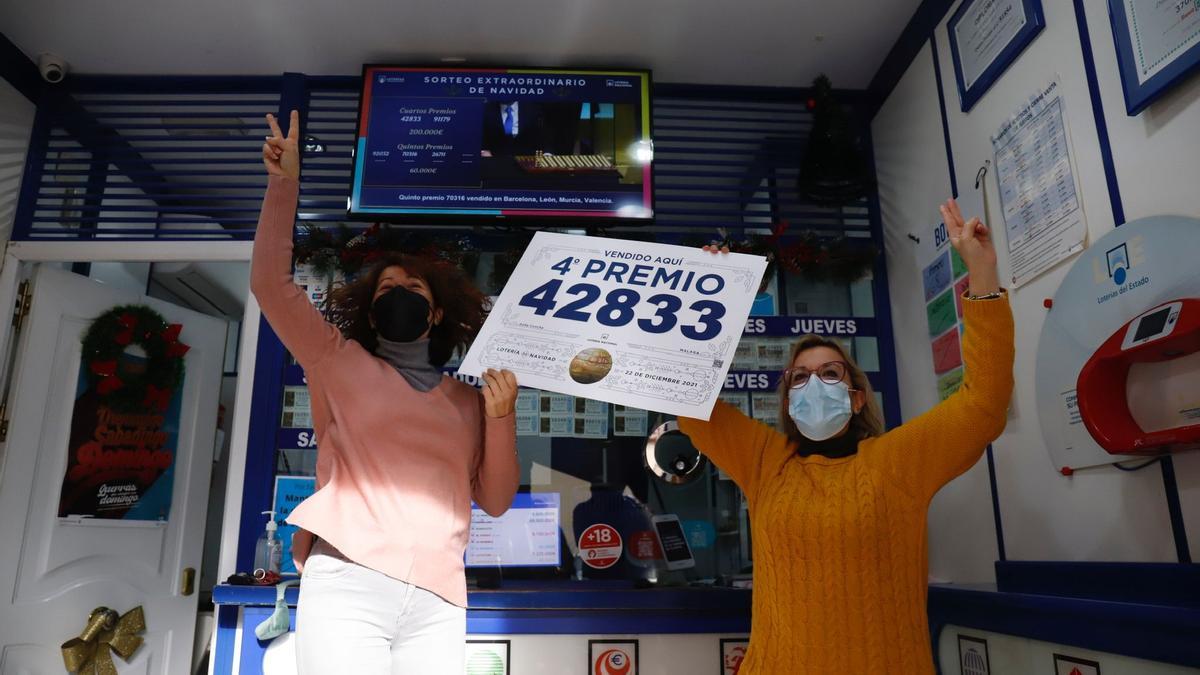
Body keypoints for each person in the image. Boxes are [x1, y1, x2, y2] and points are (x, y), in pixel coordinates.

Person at [683, 199, 1014, 674]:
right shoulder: (764, 462)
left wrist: (981, 274)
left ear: (857, 397)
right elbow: (688, 403)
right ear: (788, 402)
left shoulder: (897, 461)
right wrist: (705, 295)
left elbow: (984, 405)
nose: (813, 384)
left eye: (830, 373)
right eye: (799, 378)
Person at [252, 110, 521, 674]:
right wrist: (284, 185)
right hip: (348, 579)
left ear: (437, 311)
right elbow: (270, 285)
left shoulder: (471, 401)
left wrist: (501, 417)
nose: (399, 291)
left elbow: (494, 501)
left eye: (412, 287)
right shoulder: (336, 360)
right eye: (387, 288)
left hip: (440, 597)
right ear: (371, 314)